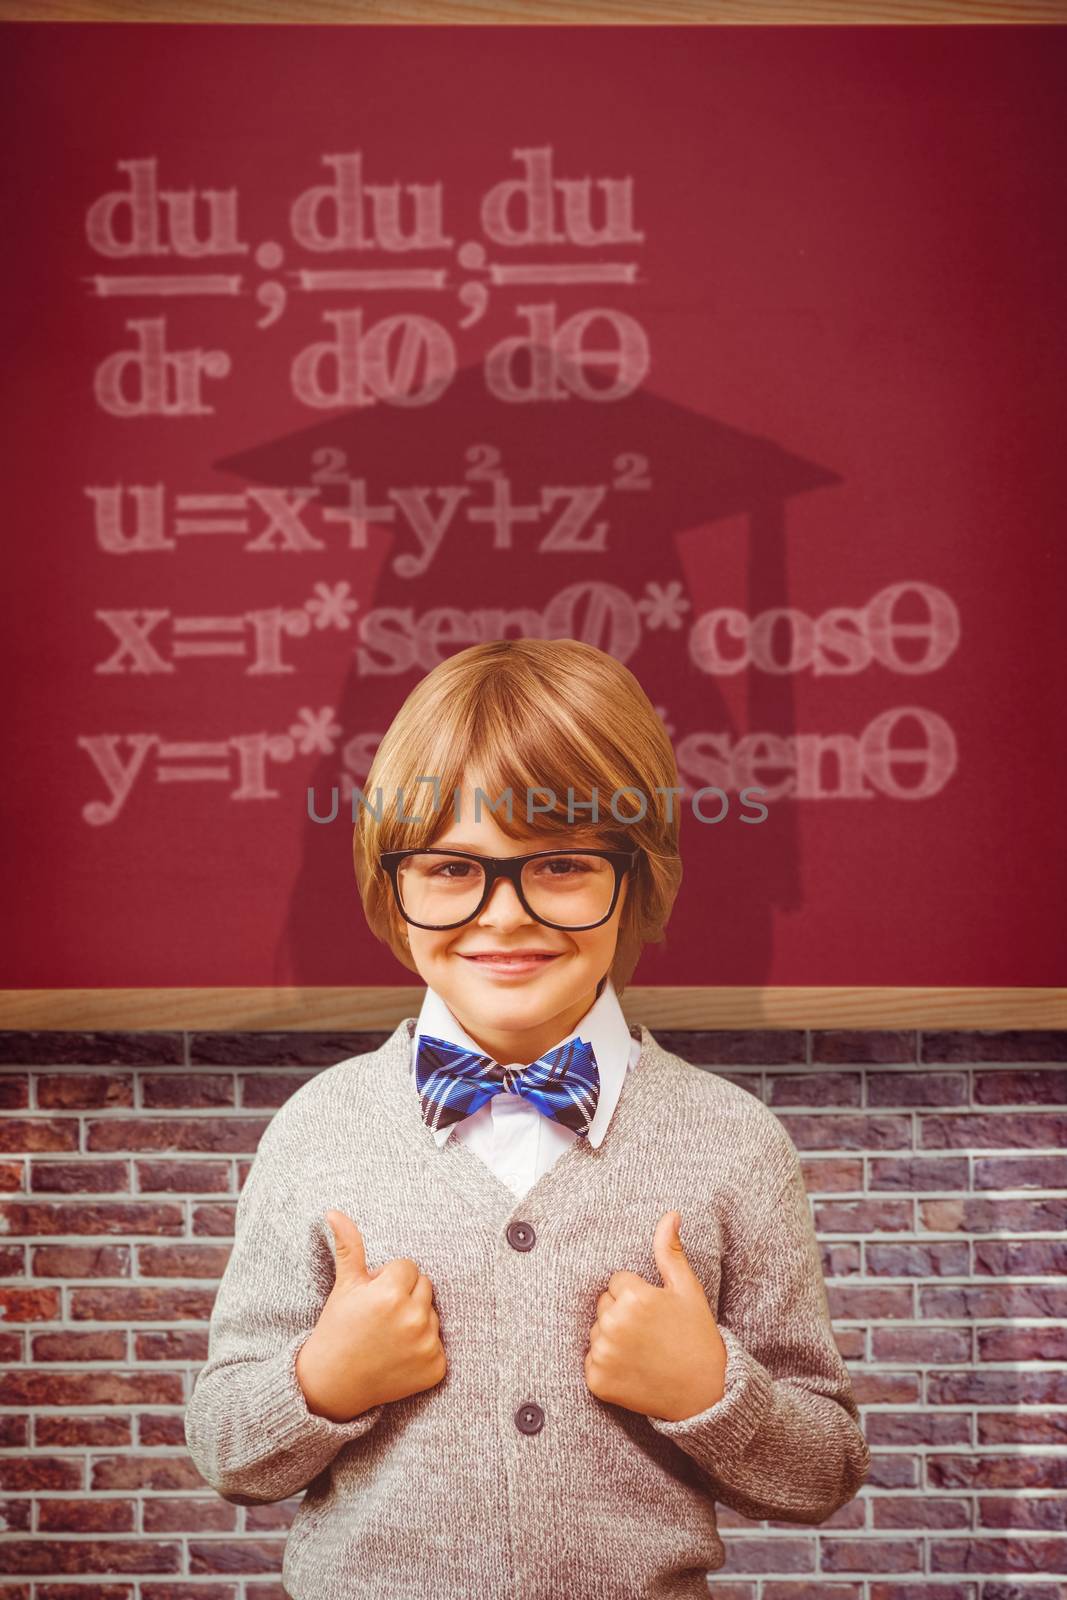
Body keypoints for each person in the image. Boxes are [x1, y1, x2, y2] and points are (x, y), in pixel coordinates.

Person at [184, 636, 869, 1599]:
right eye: (453, 869)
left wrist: (711, 1395)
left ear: (633, 879)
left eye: (558, 866)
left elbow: (822, 1469)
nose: (503, 916)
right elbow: (224, 1448)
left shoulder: (733, 1142)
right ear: (393, 884)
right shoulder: (318, 1129)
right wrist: (320, 1383)